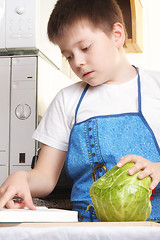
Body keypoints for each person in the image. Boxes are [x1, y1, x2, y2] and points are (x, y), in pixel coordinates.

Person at [0, 0, 160, 222]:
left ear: (116, 34)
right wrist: (23, 179)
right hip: (87, 229)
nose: (78, 62)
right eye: (69, 56)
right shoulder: (67, 100)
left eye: (85, 48)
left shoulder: (156, 87)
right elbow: (45, 177)